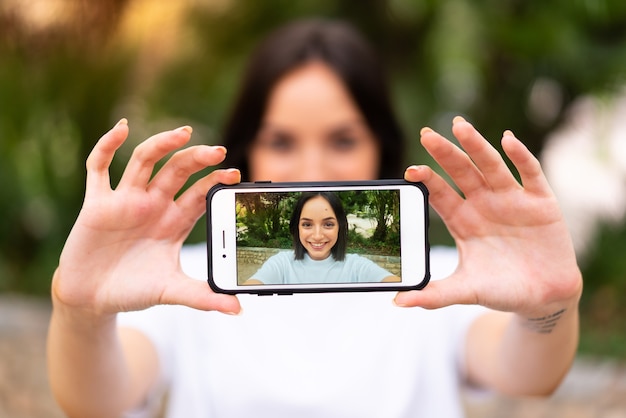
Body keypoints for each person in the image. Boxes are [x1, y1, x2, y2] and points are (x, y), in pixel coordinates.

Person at [47, 19, 583, 418]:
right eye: (281, 141)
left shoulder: (444, 280)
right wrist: (82, 314)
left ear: (381, 146)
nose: (311, 167)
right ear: (246, 149)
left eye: (342, 139)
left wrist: (548, 306)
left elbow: (529, 372)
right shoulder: (182, 279)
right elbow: (96, 400)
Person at [245, 191, 400, 285]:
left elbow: (400, 289)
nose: (318, 236)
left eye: (328, 224)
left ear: (340, 226)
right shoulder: (281, 264)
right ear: (296, 227)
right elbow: (248, 292)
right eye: (307, 225)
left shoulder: (356, 266)